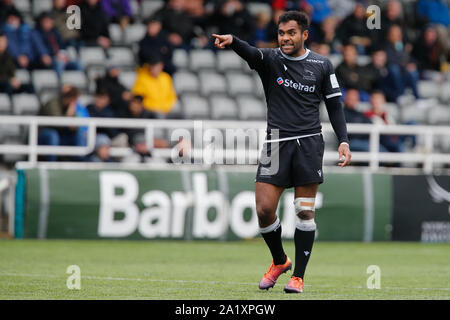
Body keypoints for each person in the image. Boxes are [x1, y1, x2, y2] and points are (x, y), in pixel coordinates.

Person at [212, 10, 351, 293]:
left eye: (291, 33)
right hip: (275, 142)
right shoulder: (271, 60)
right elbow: (251, 53)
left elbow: (335, 106)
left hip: (309, 143)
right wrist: (233, 41)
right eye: (281, 33)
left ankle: (298, 276)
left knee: (303, 212)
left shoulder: (322, 65)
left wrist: (344, 140)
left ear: (304, 35)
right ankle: (279, 261)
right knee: (264, 210)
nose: (285, 38)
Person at [38, 85, 89, 161]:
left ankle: (79, 161)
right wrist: (68, 116)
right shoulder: (52, 103)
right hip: (44, 134)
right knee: (53, 135)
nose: (75, 102)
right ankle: (52, 164)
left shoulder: (70, 107)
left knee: (80, 133)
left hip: (62, 134)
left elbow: (74, 124)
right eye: (74, 99)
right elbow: (56, 121)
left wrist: (74, 126)